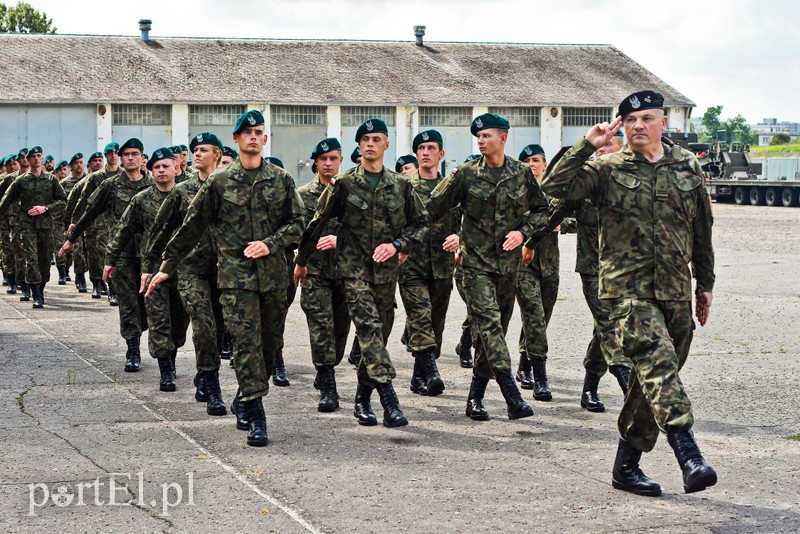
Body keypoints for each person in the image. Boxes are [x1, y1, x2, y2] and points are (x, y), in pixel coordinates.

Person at [542, 90, 717, 496]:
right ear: (622, 125)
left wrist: (705, 284)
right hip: (625, 291)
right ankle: (688, 453)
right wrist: (588, 145)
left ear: (663, 122)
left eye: (647, 118)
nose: (639, 125)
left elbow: (702, 230)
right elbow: (554, 186)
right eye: (631, 119)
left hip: (675, 288)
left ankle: (626, 466)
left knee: (652, 378)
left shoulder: (686, 165)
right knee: (657, 364)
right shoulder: (605, 168)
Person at [146, 110, 304, 447]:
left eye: (258, 132)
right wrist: (166, 265)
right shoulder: (219, 184)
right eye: (245, 132)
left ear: (264, 138)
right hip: (235, 280)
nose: (252, 136)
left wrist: (270, 244)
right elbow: (191, 226)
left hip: (275, 278)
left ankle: (245, 397)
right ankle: (257, 413)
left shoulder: (282, 179)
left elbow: (298, 223)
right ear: (235, 139)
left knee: (268, 343)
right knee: (245, 343)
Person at [295, 118, 427, 428]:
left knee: (376, 337)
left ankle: (362, 397)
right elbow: (317, 221)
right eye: (365, 139)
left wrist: (398, 244)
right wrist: (301, 261)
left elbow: (420, 223)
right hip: (352, 272)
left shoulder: (401, 185)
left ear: (386, 145)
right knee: (368, 330)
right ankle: (389, 400)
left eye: (376, 139)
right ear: (358, 146)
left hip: (384, 274)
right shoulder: (344, 184)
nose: (370, 143)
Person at [426, 113, 548, 421]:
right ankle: (511, 394)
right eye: (478, 137)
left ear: (503, 138)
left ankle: (475, 396)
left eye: (487, 136)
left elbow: (542, 212)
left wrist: (523, 232)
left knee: (492, 334)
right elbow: (432, 208)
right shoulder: (466, 174)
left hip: (508, 269)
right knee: (491, 326)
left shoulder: (521, 174)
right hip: (474, 267)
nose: (481, 141)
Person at [146, 133, 228, 414]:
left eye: (203, 149)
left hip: (226, 270)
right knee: (203, 324)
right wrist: (150, 268)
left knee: (219, 327)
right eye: (194, 150)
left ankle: (205, 374)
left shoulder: (230, 186)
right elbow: (160, 231)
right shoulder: (182, 191)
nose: (197, 154)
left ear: (217, 154)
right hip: (191, 269)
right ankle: (213, 385)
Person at [60, 139, 154, 372]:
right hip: (121, 254)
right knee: (128, 302)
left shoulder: (155, 183)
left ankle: (140, 329)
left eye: (135, 154)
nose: (130, 158)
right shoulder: (111, 185)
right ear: (121, 159)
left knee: (148, 305)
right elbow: (90, 212)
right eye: (126, 154)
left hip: (149, 254)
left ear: (143, 158)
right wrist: (72, 238)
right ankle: (133, 349)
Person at [105, 147, 189, 392]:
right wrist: (110, 259)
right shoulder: (141, 199)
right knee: (158, 319)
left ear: (176, 168)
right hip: (151, 269)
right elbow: (123, 230)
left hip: (184, 269)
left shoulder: (188, 196)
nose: (161, 171)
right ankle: (167, 370)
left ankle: (171, 356)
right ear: (150, 171)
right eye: (156, 167)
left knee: (180, 320)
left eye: (165, 166)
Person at [399, 130, 460, 396]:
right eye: (421, 148)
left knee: (436, 323)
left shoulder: (451, 188)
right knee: (420, 317)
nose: (425, 152)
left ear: (441, 154)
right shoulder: (403, 187)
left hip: (442, 267)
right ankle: (432, 373)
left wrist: (460, 238)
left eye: (431, 148)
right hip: (411, 266)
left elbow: (466, 222)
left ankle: (418, 375)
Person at [294, 137, 351, 412]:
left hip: (346, 273)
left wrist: (340, 239)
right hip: (314, 273)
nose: (328, 164)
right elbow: (294, 230)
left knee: (340, 333)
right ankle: (328, 386)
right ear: (315, 162)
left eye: (333, 159)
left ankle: (327, 368)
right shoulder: (302, 195)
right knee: (321, 329)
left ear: (341, 161)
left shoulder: (351, 193)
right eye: (323, 159)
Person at [514, 144, 566, 402]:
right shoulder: (517, 191)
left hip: (550, 265)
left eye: (536, 160)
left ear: (545, 164)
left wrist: (563, 225)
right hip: (523, 264)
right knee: (533, 314)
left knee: (541, 318)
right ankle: (540, 376)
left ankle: (524, 364)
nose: (532, 164)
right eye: (527, 161)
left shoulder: (556, 192)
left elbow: (573, 215)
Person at [0, 146, 67, 308]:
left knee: (44, 261)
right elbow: (5, 202)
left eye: (39, 156)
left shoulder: (51, 180)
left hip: (46, 226)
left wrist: (46, 208)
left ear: (42, 159)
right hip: (27, 227)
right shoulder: (21, 181)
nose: (36, 159)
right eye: (33, 157)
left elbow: (63, 201)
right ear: (28, 160)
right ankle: (36, 294)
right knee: (31, 260)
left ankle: (41, 287)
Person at [0, 154, 21, 294]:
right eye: (10, 165)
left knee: (21, 251)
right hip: (5, 221)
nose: (13, 167)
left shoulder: (22, 179)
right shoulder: (6, 180)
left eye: (15, 164)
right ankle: (10, 278)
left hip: (21, 221)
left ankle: (21, 279)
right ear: (5, 167)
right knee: (7, 250)